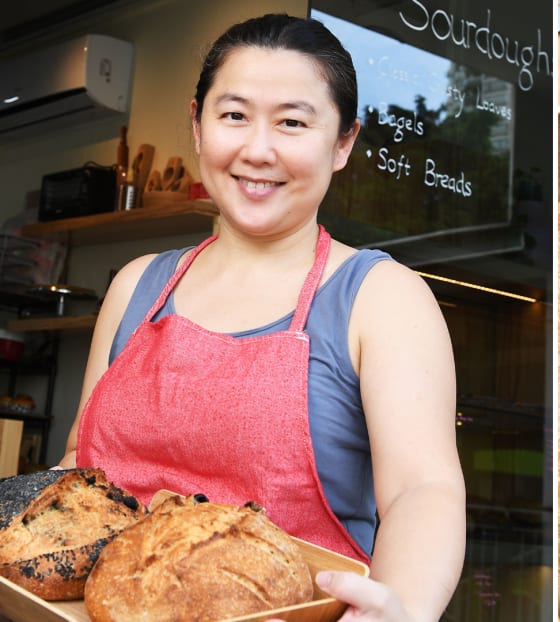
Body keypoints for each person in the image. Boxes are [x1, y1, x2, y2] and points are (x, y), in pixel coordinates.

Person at [57, 13, 466, 622]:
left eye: (293, 123)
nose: (257, 149)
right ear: (198, 125)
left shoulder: (381, 297)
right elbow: (79, 472)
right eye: (234, 115)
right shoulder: (135, 286)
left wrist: (402, 607)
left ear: (343, 143)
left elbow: (422, 490)